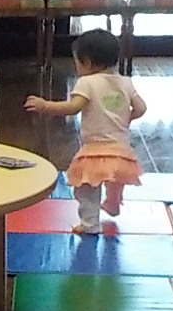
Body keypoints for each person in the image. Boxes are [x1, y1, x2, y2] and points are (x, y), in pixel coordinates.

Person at [25, 28, 148, 234]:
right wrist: (125, 119)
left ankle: (90, 224)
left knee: (87, 188)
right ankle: (113, 203)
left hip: (95, 149)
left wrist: (45, 105)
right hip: (121, 149)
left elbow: (72, 108)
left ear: (87, 62)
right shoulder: (125, 82)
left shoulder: (87, 83)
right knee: (115, 177)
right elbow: (141, 108)